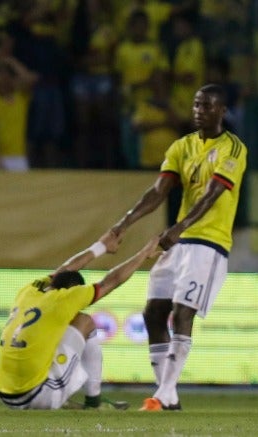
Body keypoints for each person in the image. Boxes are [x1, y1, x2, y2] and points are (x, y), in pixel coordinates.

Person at [103, 84, 247, 411]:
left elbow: (213, 194)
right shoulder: (182, 146)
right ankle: (167, 395)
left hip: (208, 243)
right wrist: (123, 224)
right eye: (196, 105)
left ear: (222, 111)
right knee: (154, 312)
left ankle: (165, 393)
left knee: (183, 312)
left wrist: (180, 227)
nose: (199, 111)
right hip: (179, 243)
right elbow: (159, 191)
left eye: (207, 106)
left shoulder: (234, 149)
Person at [0, 232, 160, 410]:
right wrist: (143, 254)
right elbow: (113, 280)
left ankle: (64, 400)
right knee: (85, 321)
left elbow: (65, 269)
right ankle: (94, 401)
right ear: (72, 289)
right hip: (32, 395)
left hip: (3, 392)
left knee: (57, 335)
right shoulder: (67, 298)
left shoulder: (30, 291)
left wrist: (100, 247)